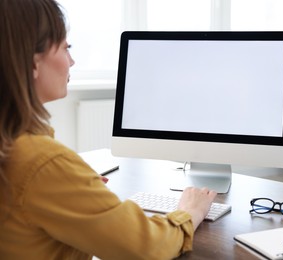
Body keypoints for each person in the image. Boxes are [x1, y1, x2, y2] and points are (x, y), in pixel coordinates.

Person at [0, 0, 217, 259]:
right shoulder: (41, 160)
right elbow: (146, 247)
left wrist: (72, 181)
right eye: (65, 48)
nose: (72, 61)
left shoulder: (16, 145)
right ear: (33, 62)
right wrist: (191, 211)